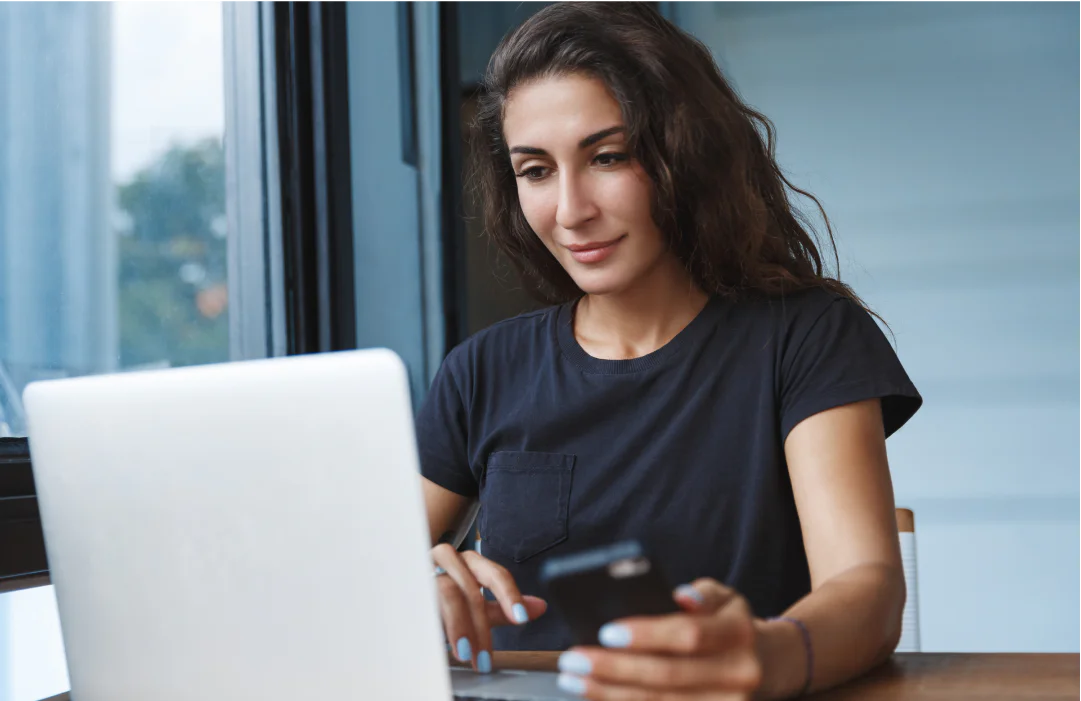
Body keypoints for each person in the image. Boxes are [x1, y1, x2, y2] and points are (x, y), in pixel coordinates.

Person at [416, 0, 922, 698]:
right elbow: (361, 575)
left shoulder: (806, 337)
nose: (569, 210)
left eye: (607, 157)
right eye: (534, 170)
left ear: (682, 154)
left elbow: (865, 586)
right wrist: (418, 582)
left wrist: (766, 653)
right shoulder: (481, 369)